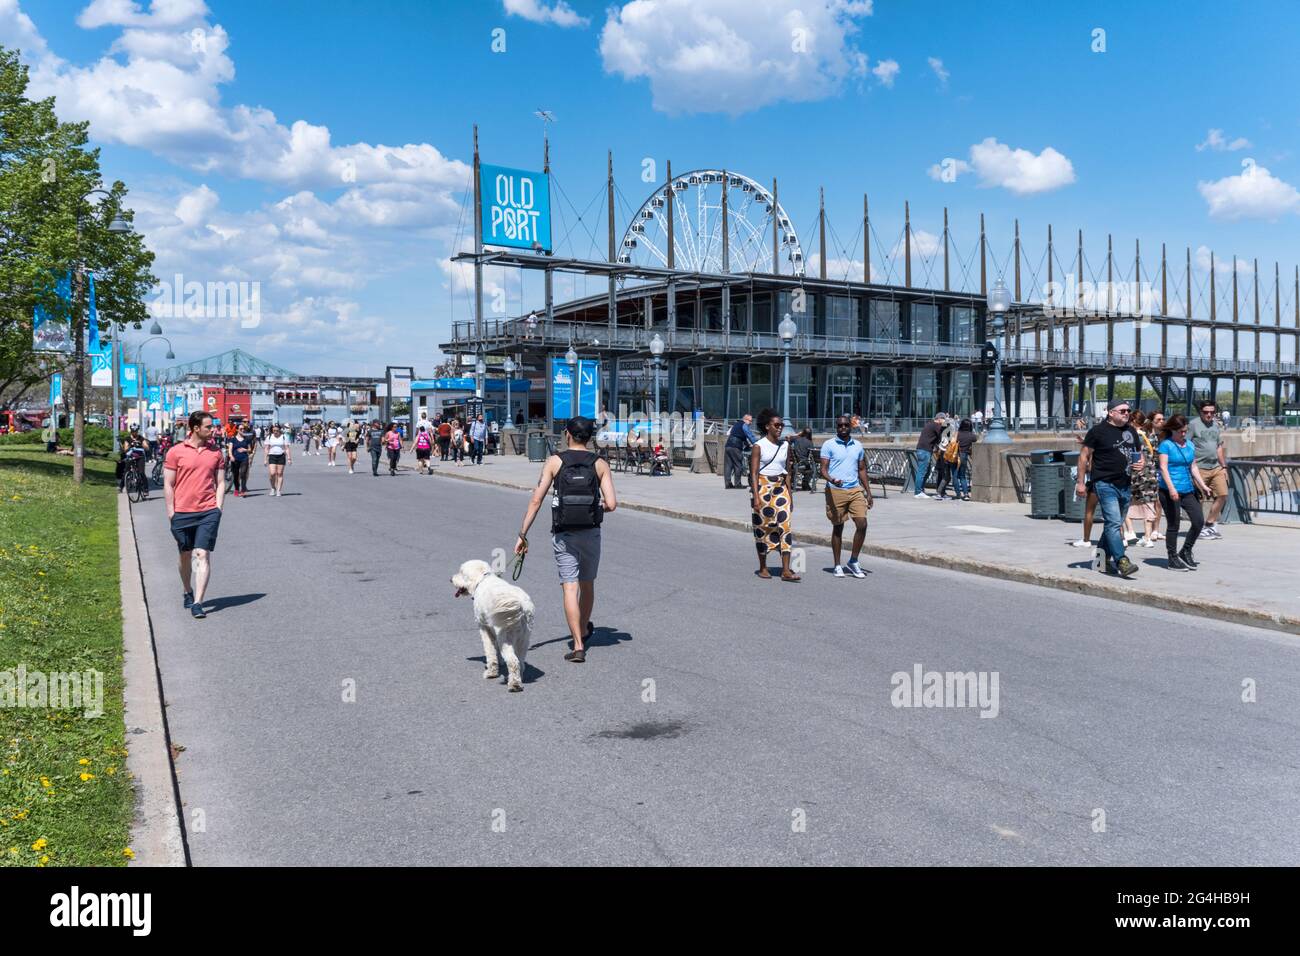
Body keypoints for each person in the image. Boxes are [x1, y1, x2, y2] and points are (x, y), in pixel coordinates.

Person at [514, 416, 617, 664]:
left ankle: (578, 645)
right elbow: (612, 504)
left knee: (570, 586)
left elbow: (536, 500)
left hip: (564, 532)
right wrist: (593, 506)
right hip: (591, 531)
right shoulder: (600, 463)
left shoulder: (554, 461)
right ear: (590, 437)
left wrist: (522, 534)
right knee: (587, 585)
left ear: (568, 435)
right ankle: (582, 629)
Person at [164, 412, 225, 619]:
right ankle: (187, 590)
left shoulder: (216, 452)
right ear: (196, 428)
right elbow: (168, 484)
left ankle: (198, 602)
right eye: (208, 427)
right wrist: (171, 512)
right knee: (185, 555)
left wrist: (218, 508)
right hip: (182, 512)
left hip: (208, 511)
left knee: (202, 554)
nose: (213, 430)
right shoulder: (175, 452)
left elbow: (221, 482)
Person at [1075, 397, 1142, 578]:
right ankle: (1122, 560)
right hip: (1104, 483)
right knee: (1113, 523)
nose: (1127, 414)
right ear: (1111, 413)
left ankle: (1099, 561)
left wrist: (1140, 464)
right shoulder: (1098, 431)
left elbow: (1138, 454)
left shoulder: (1132, 431)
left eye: (1128, 411)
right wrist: (1080, 482)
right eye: (1123, 411)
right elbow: (1083, 457)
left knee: (1115, 524)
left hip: (1125, 483)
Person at [750, 408, 800, 582]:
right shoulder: (759, 446)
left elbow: (788, 472)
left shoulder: (785, 445)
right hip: (763, 488)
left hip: (780, 488)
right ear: (767, 427)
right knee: (762, 528)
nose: (780, 428)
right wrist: (756, 497)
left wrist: (790, 496)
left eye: (781, 425)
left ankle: (786, 570)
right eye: (776, 425)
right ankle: (763, 567)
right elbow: (754, 473)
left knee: (785, 527)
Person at [1157, 414, 1212, 571]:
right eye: (1180, 431)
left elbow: (1193, 467)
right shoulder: (1166, 445)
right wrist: (1172, 488)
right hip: (1169, 490)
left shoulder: (1189, 445)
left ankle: (1186, 550)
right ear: (1173, 431)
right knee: (1174, 525)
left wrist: (1203, 486)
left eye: (1185, 431)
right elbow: (1163, 468)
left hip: (1187, 489)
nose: (1183, 434)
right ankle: (1172, 558)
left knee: (1198, 521)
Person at [820, 415, 872, 578]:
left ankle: (853, 561)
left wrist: (868, 492)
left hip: (855, 489)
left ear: (850, 427)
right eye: (839, 426)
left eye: (845, 425)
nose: (843, 428)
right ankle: (837, 564)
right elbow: (823, 469)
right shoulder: (828, 445)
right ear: (836, 427)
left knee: (862, 524)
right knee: (838, 526)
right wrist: (832, 479)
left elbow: (862, 469)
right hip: (835, 490)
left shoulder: (857, 445)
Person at [1188, 401, 1228, 539]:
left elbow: (1219, 447)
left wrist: (1224, 466)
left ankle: (1210, 524)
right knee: (1198, 499)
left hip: (1215, 466)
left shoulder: (1216, 426)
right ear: (1200, 412)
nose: (1209, 414)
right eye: (1206, 412)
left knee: (1223, 494)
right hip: (1199, 467)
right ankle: (1197, 527)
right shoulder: (1193, 425)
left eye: (1212, 412)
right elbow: (1186, 444)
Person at [1128, 410, 1163, 548]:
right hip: (1150, 474)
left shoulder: (1129, 436)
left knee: (1126, 501)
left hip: (1134, 474)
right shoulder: (1151, 437)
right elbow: (1156, 456)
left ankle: (1129, 531)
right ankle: (1147, 537)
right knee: (1150, 503)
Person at [914, 413, 945, 498]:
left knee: (926, 471)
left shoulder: (930, 424)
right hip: (925, 450)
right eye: (943, 420)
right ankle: (918, 492)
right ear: (939, 419)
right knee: (922, 471)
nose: (944, 422)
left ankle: (920, 489)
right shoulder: (936, 425)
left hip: (921, 449)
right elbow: (942, 436)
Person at [724, 413, 757, 489]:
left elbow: (740, 436)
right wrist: (756, 444)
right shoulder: (744, 425)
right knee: (738, 465)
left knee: (728, 466)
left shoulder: (736, 424)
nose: (751, 423)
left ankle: (728, 484)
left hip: (728, 445)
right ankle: (737, 484)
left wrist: (747, 444)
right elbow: (750, 435)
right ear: (745, 419)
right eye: (750, 421)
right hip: (735, 447)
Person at [262, 423, 291, 496]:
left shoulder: (284, 437)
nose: (275, 432)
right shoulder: (269, 437)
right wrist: (265, 459)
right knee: (272, 473)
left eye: (277, 430)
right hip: (272, 456)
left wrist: (289, 458)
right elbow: (266, 448)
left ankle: (278, 490)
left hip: (281, 456)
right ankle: (273, 488)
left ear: (279, 430)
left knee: (280, 473)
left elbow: (287, 448)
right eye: (274, 430)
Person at [934, 414, 959, 500]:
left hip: (941, 453)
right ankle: (939, 493)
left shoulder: (941, 430)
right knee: (947, 476)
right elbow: (951, 443)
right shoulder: (949, 432)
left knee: (942, 473)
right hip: (946, 454)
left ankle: (940, 492)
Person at [953, 418, 977, 500]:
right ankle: (966, 494)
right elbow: (975, 442)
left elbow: (952, 443)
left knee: (955, 475)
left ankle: (958, 494)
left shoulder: (958, 434)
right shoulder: (972, 436)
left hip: (955, 455)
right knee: (962, 476)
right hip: (964, 456)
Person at [228, 424, 255, 497]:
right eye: (241, 429)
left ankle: (243, 490)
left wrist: (244, 449)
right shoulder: (233, 439)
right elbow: (230, 449)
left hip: (244, 458)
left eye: (243, 429)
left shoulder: (247, 439)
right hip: (235, 459)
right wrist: (231, 456)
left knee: (243, 474)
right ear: (237, 430)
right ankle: (237, 489)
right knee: (236, 475)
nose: (242, 430)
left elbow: (250, 449)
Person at [792, 427, 815, 491]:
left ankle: (792, 483)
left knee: (806, 465)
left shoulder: (796, 439)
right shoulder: (809, 442)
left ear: (803, 433)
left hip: (795, 464)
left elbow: (787, 437)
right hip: (803, 463)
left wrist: (798, 434)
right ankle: (805, 484)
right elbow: (812, 454)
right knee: (811, 469)